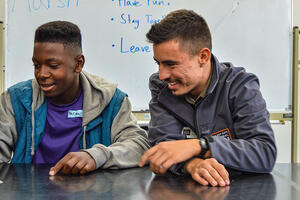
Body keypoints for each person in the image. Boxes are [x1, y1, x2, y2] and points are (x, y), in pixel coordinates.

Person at [139, 9, 277, 187]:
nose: (162, 74)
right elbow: (164, 148)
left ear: (203, 56)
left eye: (171, 64)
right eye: (158, 63)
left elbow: (264, 153)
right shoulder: (161, 87)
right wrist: (191, 165)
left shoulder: (241, 86)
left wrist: (202, 146)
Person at [0, 21, 149, 175]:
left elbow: (138, 145)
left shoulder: (111, 100)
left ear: (78, 64)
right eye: (37, 65)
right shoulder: (15, 100)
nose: (42, 74)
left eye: (53, 65)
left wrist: (95, 155)